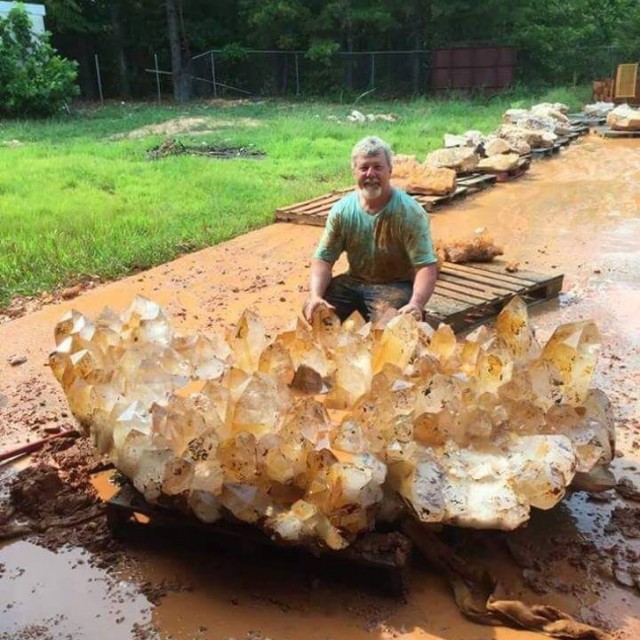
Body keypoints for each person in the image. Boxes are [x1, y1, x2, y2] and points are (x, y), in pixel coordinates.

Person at [303, 136, 438, 323]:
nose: (370, 174)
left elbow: (426, 266)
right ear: (354, 172)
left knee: (393, 327)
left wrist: (416, 303)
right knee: (316, 311)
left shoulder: (410, 213)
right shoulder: (342, 211)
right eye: (364, 168)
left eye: (377, 167)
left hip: (395, 285)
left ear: (390, 170)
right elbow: (323, 258)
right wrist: (316, 296)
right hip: (354, 282)